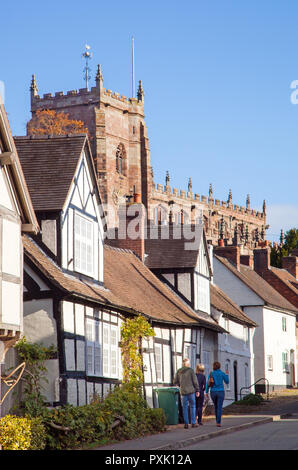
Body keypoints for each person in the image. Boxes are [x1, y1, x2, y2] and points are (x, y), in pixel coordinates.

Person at [174, 358, 200, 429]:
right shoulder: (191, 371)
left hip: (183, 392)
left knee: (184, 408)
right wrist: (197, 390)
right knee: (192, 406)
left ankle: (186, 423)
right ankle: (193, 423)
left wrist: (180, 385)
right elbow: (195, 381)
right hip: (191, 391)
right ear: (188, 364)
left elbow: (175, 381)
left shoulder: (179, 371)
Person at [205, 361, 229, 427]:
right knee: (219, 407)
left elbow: (208, 383)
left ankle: (217, 420)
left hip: (213, 391)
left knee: (215, 406)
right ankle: (218, 422)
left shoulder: (211, 373)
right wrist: (227, 375)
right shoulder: (222, 373)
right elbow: (227, 381)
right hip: (221, 391)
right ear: (219, 366)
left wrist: (206, 392)